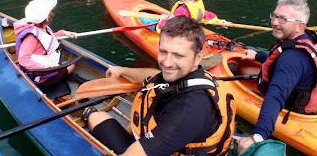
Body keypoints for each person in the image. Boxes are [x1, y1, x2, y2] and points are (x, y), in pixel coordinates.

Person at [81, 16, 236, 156]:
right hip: (170, 138)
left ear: (198, 57)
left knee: (95, 116)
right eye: (163, 52)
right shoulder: (191, 74)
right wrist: (122, 70)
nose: (167, 62)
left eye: (178, 55)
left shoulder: (187, 111)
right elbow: (155, 76)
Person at [234, 0, 317, 154]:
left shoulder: (292, 59)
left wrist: (258, 136)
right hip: (305, 93)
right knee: (245, 68)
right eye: (274, 16)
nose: (274, 22)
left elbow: (276, 96)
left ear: (300, 25)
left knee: (237, 70)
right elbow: (281, 62)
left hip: (292, 107)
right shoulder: (309, 38)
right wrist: (257, 56)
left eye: (283, 19)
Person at [14, 0, 77, 89]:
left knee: (68, 64)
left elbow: (48, 39)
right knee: (72, 66)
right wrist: (45, 66)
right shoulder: (31, 37)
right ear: (47, 18)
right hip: (41, 78)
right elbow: (23, 59)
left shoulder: (40, 28)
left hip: (48, 70)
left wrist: (63, 33)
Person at [155, 0, 229, 33]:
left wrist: (161, 21)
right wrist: (219, 21)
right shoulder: (196, 3)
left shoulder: (182, 10)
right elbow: (206, 15)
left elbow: (168, 26)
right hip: (191, 32)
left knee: (147, 21)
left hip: (179, 34)